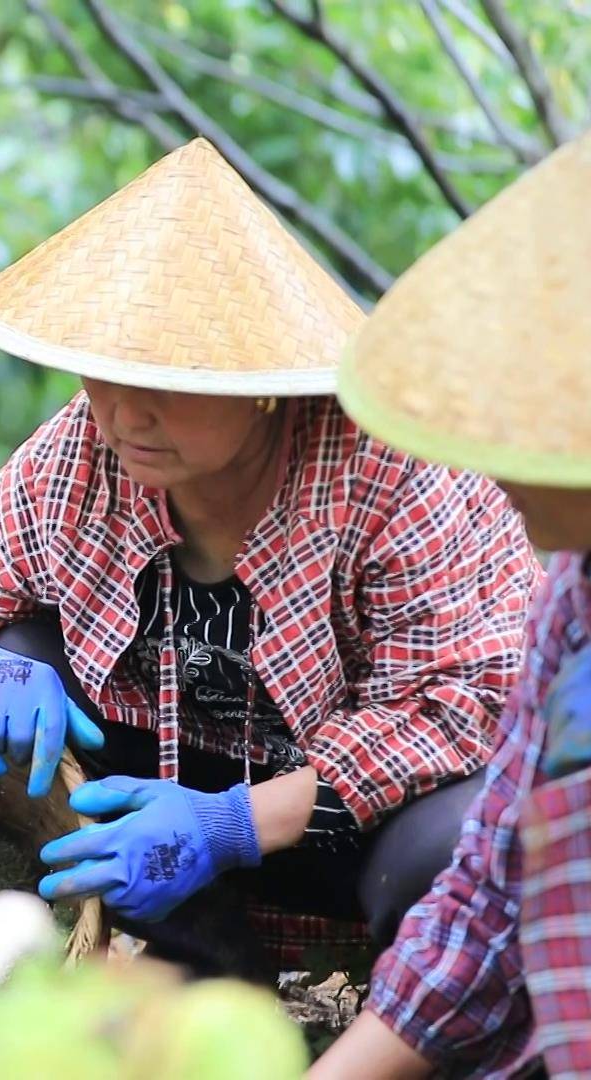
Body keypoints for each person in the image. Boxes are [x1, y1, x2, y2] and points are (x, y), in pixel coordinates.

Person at [0, 138, 537, 980]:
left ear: (263, 384)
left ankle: (410, 1018)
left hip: (344, 817)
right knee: (16, 658)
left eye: (170, 383)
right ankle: (183, 972)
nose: (126, 413)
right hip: (143, 802)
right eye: (104, 374)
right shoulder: (78, 460)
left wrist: (228, 824)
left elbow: (469, 707)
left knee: (456, 843)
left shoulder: (388, 469)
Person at [312, 132, 591, 1080]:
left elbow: (449, 714)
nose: (485, 463)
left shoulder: (388, 498)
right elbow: (487, 894)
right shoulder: (570, 599)